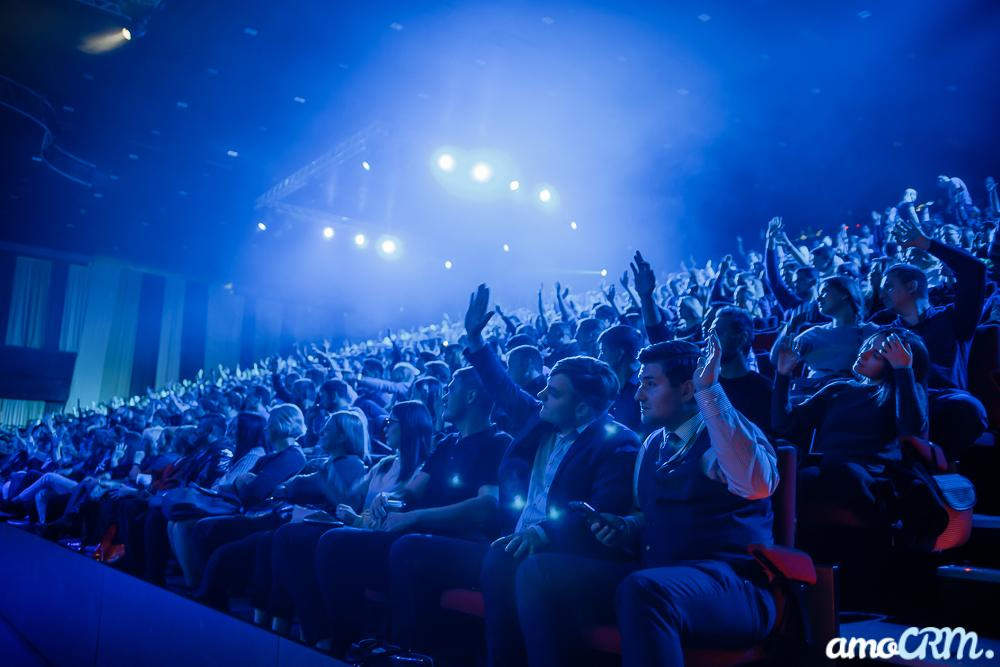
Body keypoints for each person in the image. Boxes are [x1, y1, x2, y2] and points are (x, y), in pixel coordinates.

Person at [397, 283, 639, 667]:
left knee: (507, 562)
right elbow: (503, 387)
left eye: (554, 393)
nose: (542, 395)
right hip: (513, 539)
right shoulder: (540, 422)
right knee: (435, 550)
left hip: (568, 552)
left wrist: (541, 534)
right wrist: (475, 339)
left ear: (583, 408)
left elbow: (598, 512)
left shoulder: (617, 444)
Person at [513, 337, 778, 666]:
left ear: (686, 390)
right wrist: (625, 527)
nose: (638, 394)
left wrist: (709, 392)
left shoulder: (734, 433)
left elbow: (755, 482)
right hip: (655, 576)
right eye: (640, 384)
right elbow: (647, 516)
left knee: (644, 589)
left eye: (650, 384)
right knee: (539, 571)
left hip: (731, 587)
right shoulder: (652, 443)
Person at [314, 369, 511, 654]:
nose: (444, 396)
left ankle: (409, 652)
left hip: (470, 545)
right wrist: (388, 498)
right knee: (335, 542)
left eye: (450, 389)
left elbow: (486, 506)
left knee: (408, 549)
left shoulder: (497, 442)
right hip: (425, 538)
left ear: (470, 396)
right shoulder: (446, 443)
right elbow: (411, 492)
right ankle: (343, 646)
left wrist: (416, 516)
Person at [271, 401, 434, 647]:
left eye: (392, 423)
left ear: (410, 427)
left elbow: (387, 515)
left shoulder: (421, 471)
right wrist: (327, 480)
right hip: (360, 530)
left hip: (382, 542)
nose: (385, 427)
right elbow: (350, 499)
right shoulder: (384, 464)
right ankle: (313, 630)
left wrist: (354, 517)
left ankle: (332, 637)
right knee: (287, 536)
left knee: (309, 541)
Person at [882, 216, 987, 454]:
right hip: (901, 403)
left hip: (945, 401)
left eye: (889, 287)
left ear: (911, 286)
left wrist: (927, 244)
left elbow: (975, 270)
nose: (883, 295)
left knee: (967, 408)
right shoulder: (886, 330)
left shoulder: (953, 320)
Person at [596, 324, 643, 433]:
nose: (599, 358)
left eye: (603, 352)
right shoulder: (611, 386)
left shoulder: (644, 388)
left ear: (619, 354)